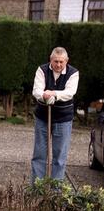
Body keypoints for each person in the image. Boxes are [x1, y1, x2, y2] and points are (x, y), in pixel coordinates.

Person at [31, 47, 79, 182]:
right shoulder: (42, 70)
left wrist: (54, 94)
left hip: (63, 119)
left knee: (59, 157)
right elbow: (36, 90)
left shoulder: (73, 73)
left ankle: (56, 192)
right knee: (39, 155)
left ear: (66, 61)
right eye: (55, 61)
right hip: (43, 118)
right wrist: (44, 96)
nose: (58, 65)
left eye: (61, 62)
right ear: (50, 60)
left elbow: (70, 92)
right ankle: (37, 188)